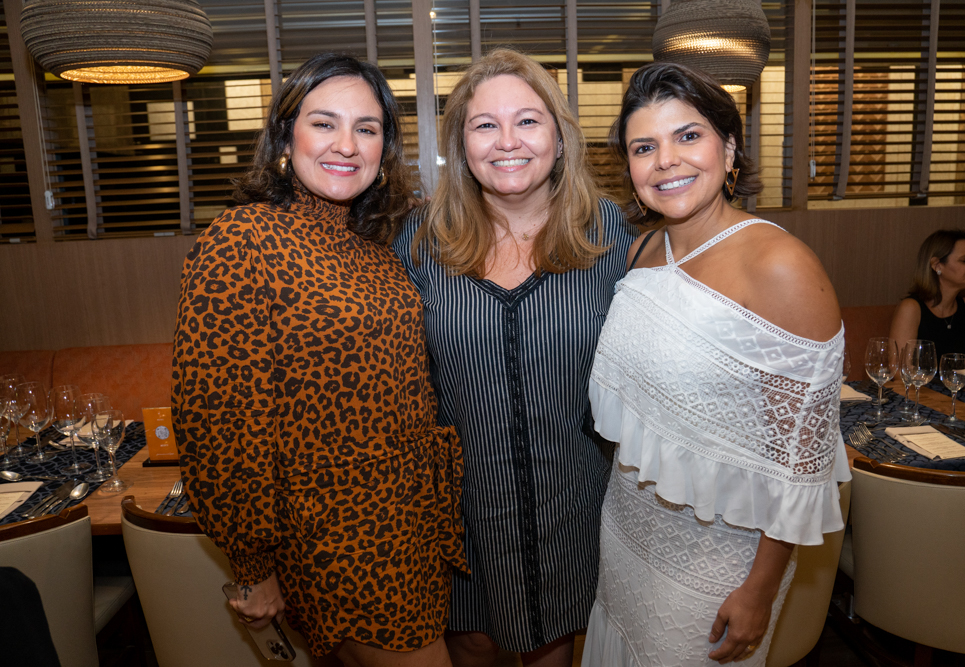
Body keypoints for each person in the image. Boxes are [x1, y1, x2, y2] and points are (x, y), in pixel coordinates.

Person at [172, 52, 465, 666]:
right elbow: (218, 423)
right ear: (286, 138)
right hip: (336, 534)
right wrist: (253, 564)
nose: (346, 145)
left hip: (409, 523)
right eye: (324, 123)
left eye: (366, 128)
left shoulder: (375, 249)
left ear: (384, 150)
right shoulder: (241, 241)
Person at [581, 62, 851, 667]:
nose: (666, 161)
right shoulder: (643, 249)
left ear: (729, 148)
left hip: (720, 560)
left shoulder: (780, 265)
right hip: (627, 532)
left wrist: (760, 589)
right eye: (644, 147)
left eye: (688, 136)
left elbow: (802, 461)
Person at [392, 49, 634, 667]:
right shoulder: (419, 241)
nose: (507, 141)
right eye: (485, 125)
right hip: (460, 512)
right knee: (471, 641)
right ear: (461, 144)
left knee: (553, 642)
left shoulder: (609, 233)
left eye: (527, 121)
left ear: (559, 135)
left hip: (572, 501)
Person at [889, 229, 965, 372]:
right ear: (937, 265)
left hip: (961, 386)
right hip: (922, 386)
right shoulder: (911, 308)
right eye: (964, 260)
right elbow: (899, 371)